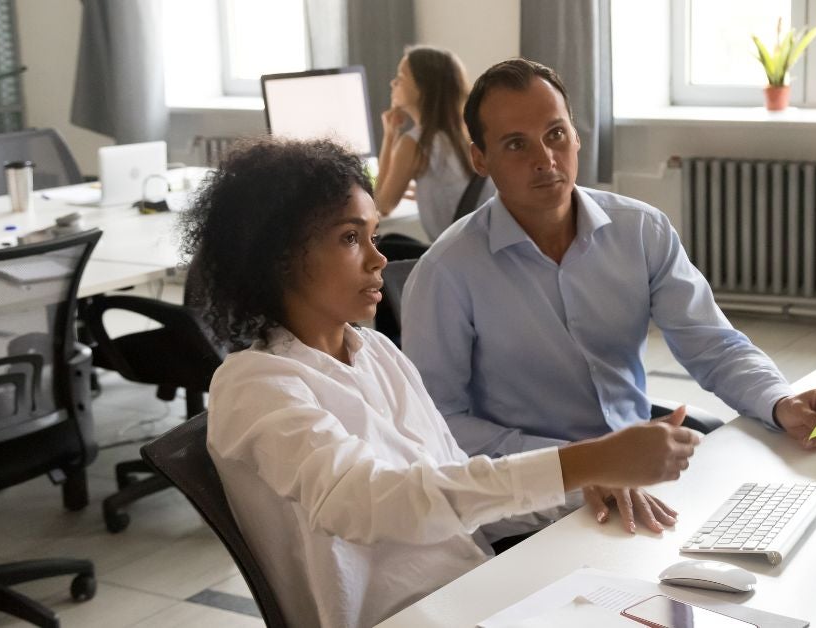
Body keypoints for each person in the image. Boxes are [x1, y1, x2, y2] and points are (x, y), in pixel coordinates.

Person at [179, 137, 699, 628]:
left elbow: (454, 490)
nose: (379, 258)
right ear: (277, 257)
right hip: (405, 617)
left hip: (469, 593)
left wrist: (584, 485)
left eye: (373, 235)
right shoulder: (256, 385)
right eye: (349, 238)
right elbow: (371, 503)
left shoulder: (374, 351)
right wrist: (585, 461)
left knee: (670, 598)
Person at [401, 59, 816, 534]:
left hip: (644, 472)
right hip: (531, 499)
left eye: (555, 134)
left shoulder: (640, 230)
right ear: (480, 159)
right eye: (516, 144)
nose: (545, 159)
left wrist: (780, 402)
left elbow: (712, 344)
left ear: (576, 135)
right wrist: (579, 465)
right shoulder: (447, 272)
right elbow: (440, 423)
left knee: (774, 528)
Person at [374, 45, 494, 240]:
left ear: (423, 88)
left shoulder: (416, 143)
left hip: (452, 253)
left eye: (401, 77)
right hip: (477, 246)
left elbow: (382, 206)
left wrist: (389, 135)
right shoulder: (466, 133)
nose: (393, 82)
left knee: (388, 242)